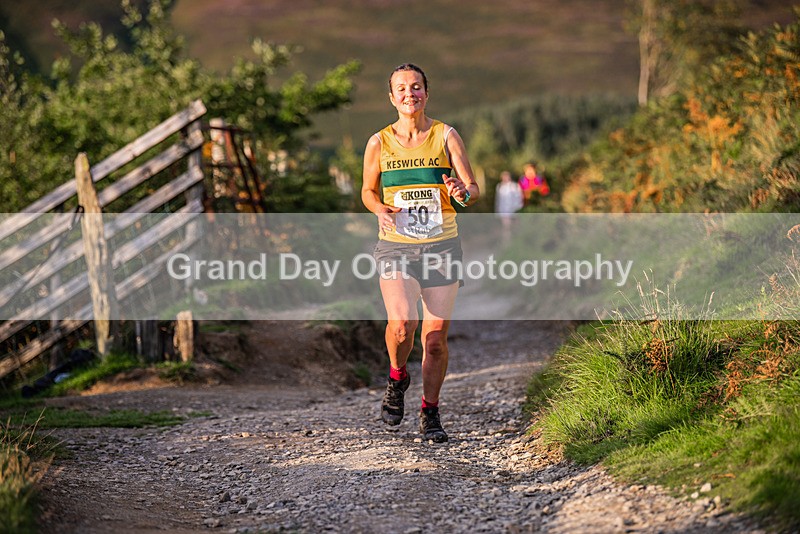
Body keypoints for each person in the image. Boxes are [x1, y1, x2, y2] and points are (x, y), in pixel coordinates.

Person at [361, 63, 479, 443]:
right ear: (391, 97)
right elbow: (367, 191)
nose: (409, 94)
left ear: (426, 93)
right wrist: (379, 208)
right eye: (401, 88)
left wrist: (461, 191)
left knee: (434, 339)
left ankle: (430, 410)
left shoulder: (446, 136)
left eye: (416, 87)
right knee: (401, 325)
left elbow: (472, 189)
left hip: (442, 245)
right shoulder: (378, 142)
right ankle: (397, 377)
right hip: (396, 245)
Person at [495, 170, 524, 244]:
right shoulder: (499, 186)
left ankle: (517, 241)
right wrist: (497, 211)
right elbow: (498, 199)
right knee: (506, 228)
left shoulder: (515, 186)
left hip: (514, 210)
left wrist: (518, 209)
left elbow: (519, 198)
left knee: (516, 227)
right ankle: (507, 242)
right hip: (503, 211)